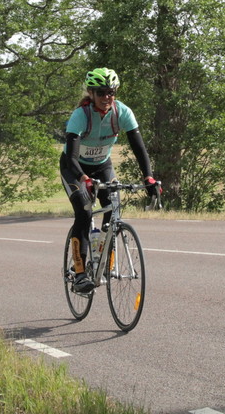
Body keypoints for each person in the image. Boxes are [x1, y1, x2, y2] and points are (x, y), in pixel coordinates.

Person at [60, 68, 159, 293]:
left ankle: (104, 256)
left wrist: (149, 177)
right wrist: (84, 178)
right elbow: (72, 157)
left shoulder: (122, 112)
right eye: (101, 92)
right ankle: (79, 273)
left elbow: (139, 148)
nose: (107, 97)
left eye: (111, 92)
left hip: (102, 165)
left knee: (113, 209)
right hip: (74, 168)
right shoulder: (81, 116)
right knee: (84, 211)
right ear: (91, 93)